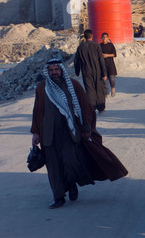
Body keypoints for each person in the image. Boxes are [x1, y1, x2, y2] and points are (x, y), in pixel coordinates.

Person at [31, 58, 128, 209]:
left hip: (70, 133)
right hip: (48, 134)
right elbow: (37, 111)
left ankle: (71, 184)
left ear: (61, 70)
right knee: (53, 167)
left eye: (56, 70)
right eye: (51, 70)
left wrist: (87, 128)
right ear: (47, 72)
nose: (54, 73)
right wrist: (36, 132)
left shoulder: (73, 86)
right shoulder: (42, 88)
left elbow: (85, 106)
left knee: (70, 161)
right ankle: (58, 197)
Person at [74, 29, 107, 113]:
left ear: (84, 37)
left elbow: (76, 61)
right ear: (92, 36)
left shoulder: (80, 47)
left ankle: (92, 108)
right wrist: (104, 73)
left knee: (89, 89)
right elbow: (101, 60)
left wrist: (77, 72)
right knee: (99, 88)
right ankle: (101, 108)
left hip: (86, 71)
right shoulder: (96, 46)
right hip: (97, 70)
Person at [100, 33, 118, 97]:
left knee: (112, 79)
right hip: (103, 65)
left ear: (108, 38)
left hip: (110, 65)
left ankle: (113, 89)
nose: (105, 38)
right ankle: (107, 93)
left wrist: (107, 55)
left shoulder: (111, 45)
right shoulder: (100, 46)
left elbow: (114, 54)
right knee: (105, 80)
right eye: (103, 37)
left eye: (106, 37)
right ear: (101, 38)